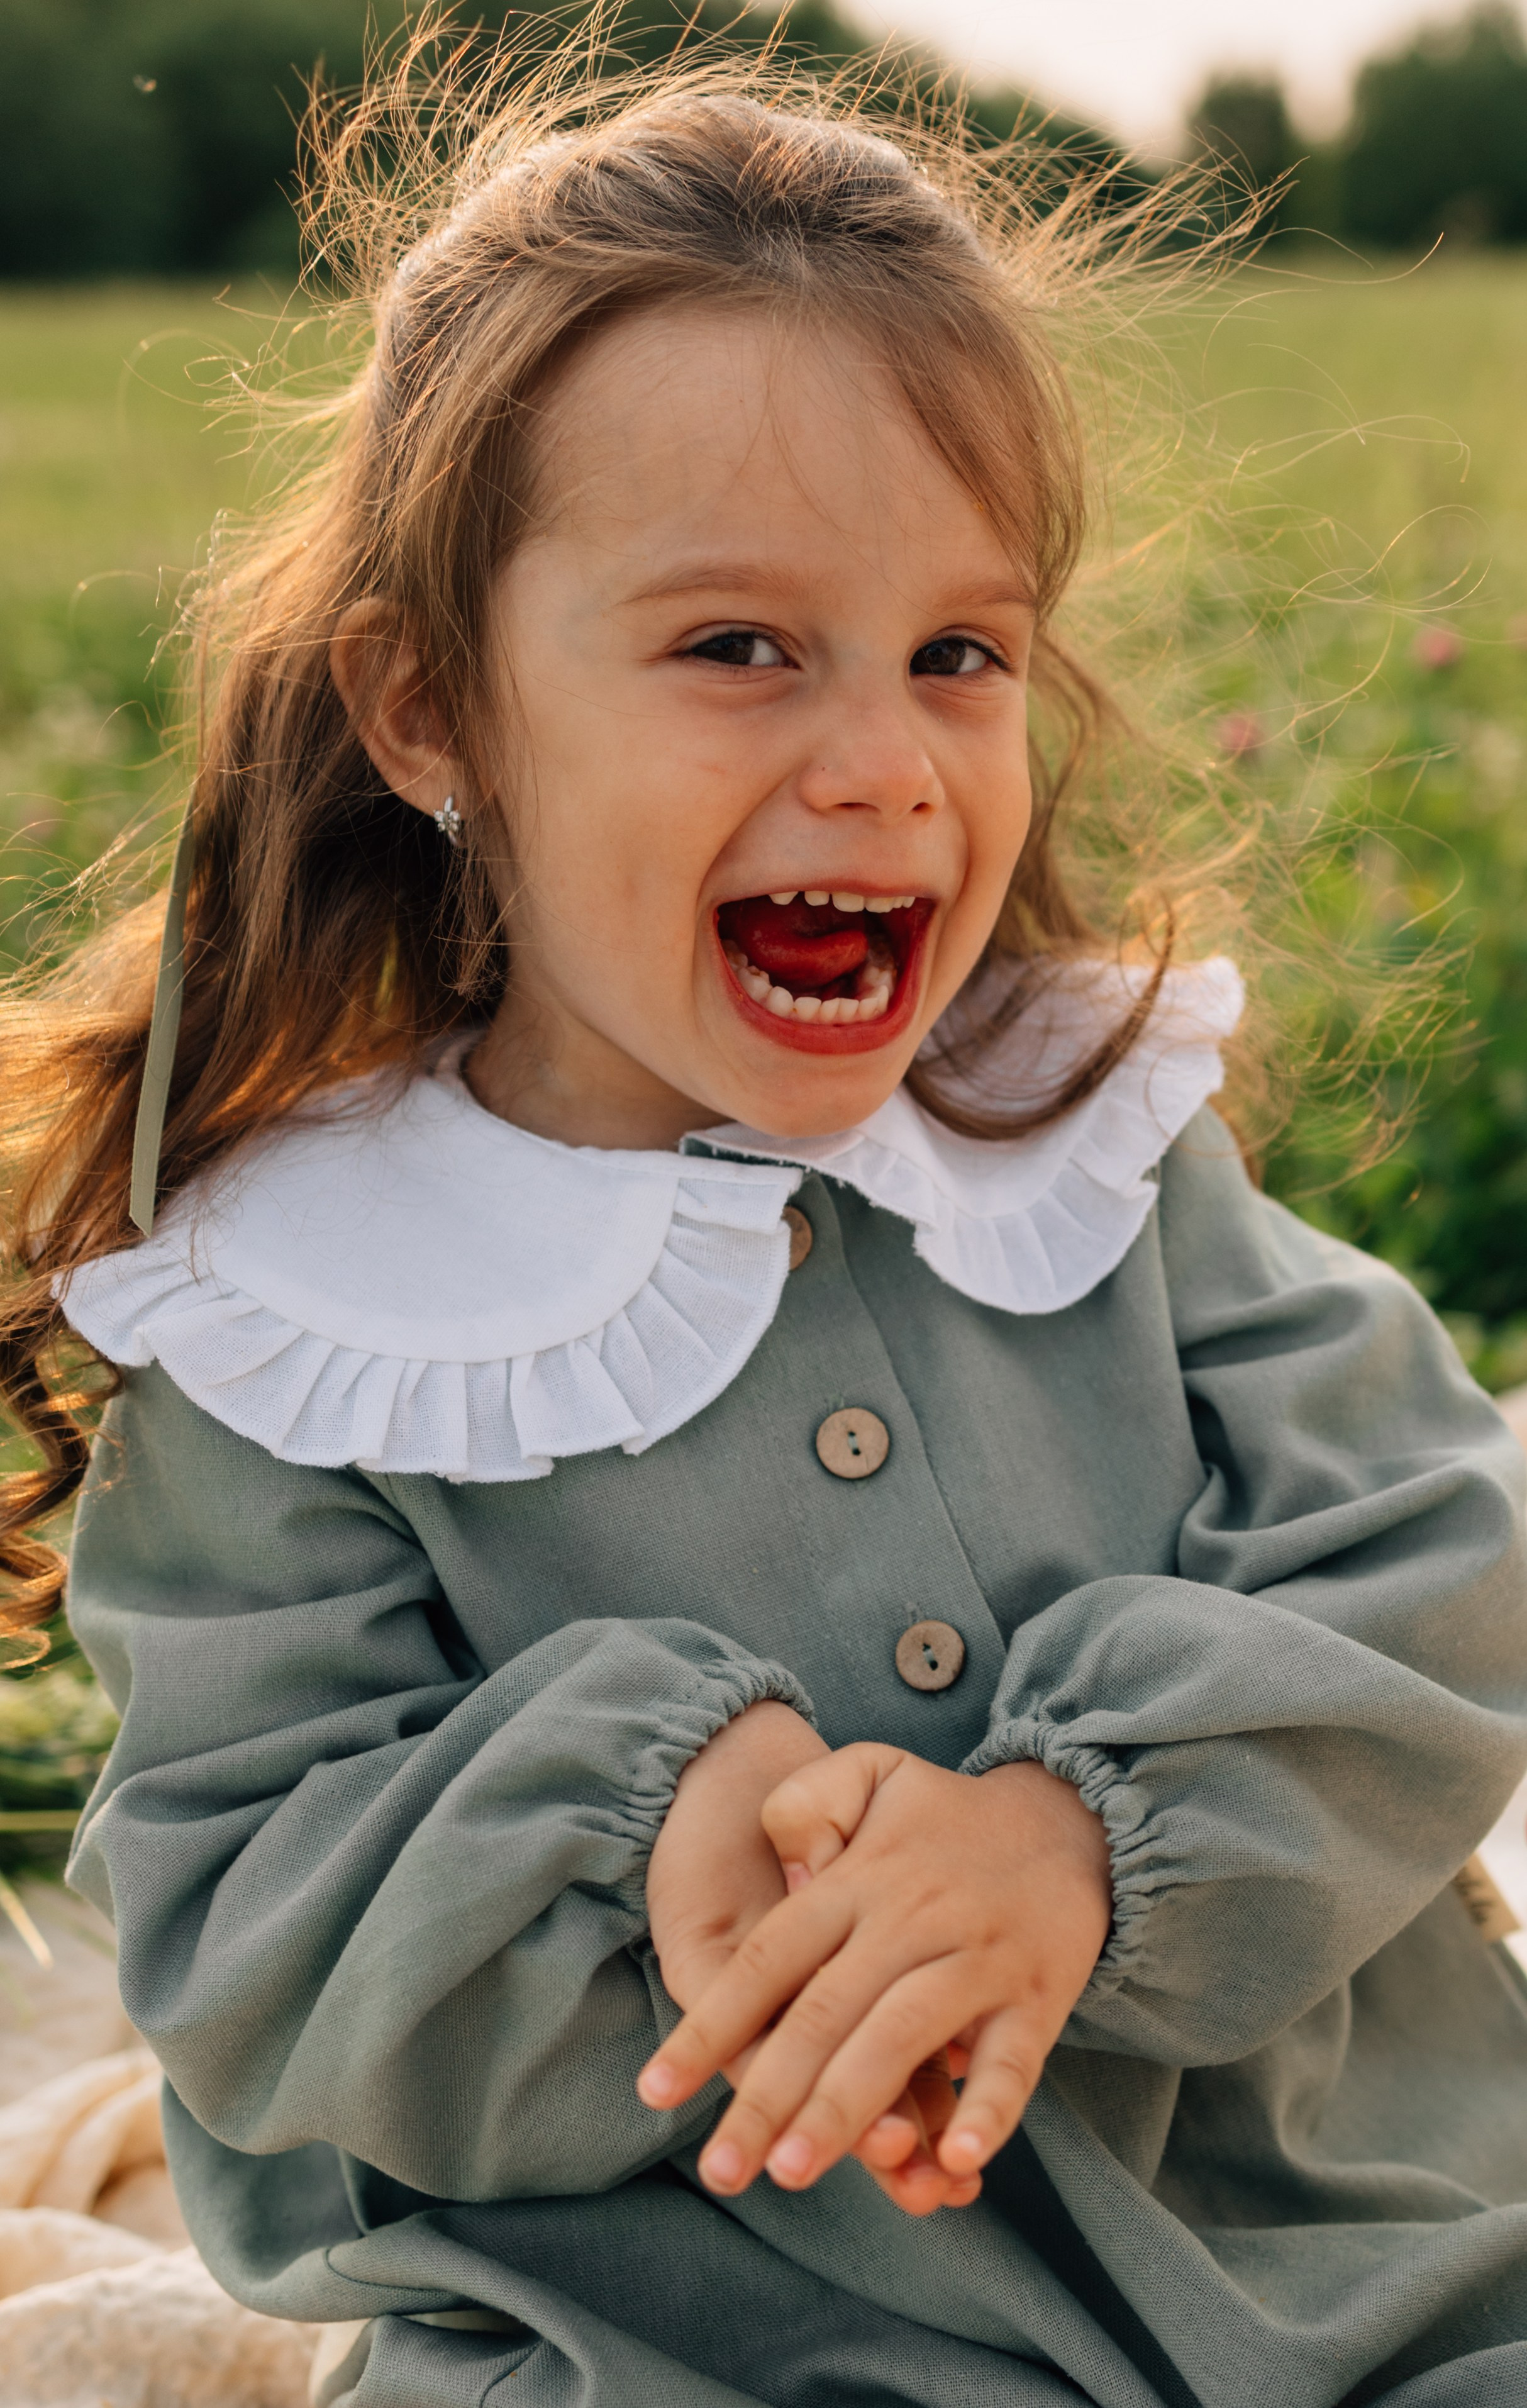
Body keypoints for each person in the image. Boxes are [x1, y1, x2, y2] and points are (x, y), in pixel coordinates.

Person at [2, 44, 1526, 2408]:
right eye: (738, 648)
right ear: (431, 713)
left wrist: (1073, 1834)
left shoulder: (1072, 1144)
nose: (885, 762)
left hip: (1346, 2261)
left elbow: (1430, 1554)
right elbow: (243, 1919)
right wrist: (649, 1830)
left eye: (959, 652)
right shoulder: (314, 1306)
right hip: (687, 2340)